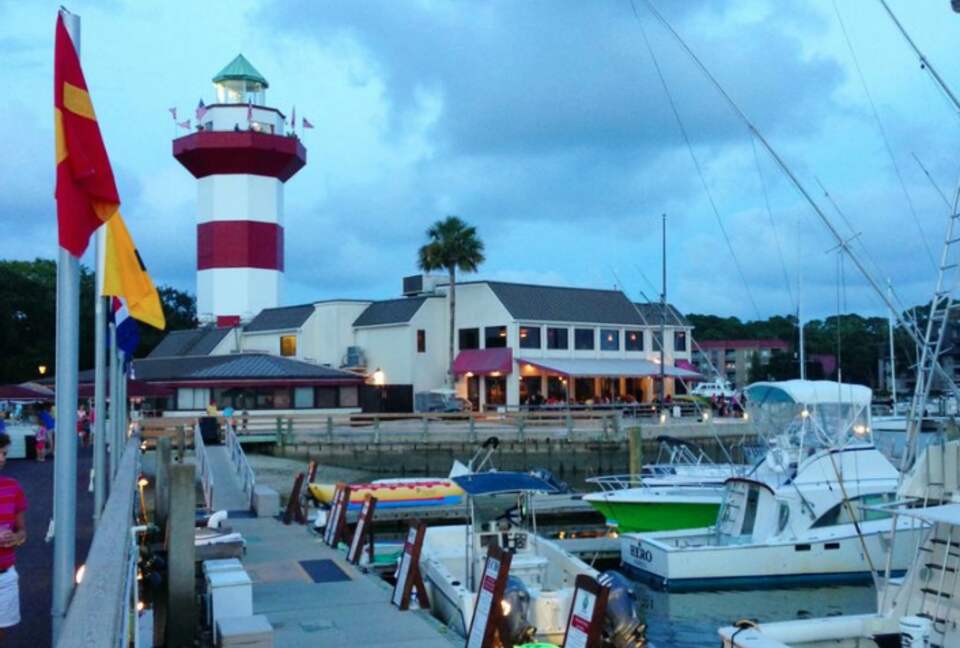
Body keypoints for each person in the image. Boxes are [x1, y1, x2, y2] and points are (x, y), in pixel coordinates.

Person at [0, 433, 27, 640]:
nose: (2, 459)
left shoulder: (12, 487)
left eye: (4, 453)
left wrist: (16, 538)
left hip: (5, 575)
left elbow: (22, 532)